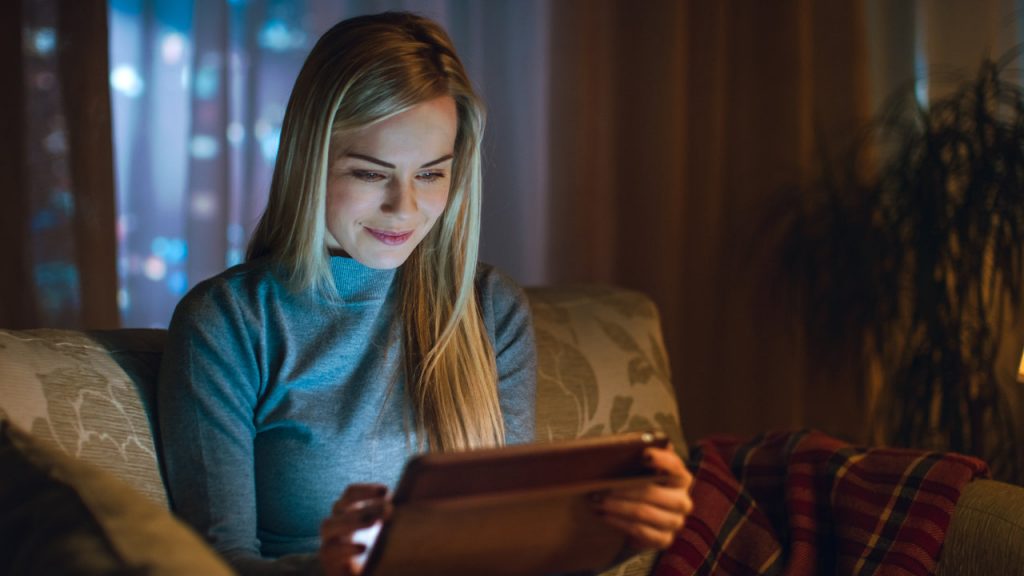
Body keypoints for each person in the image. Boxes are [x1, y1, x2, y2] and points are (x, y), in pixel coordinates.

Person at [157, 11, 693, 576]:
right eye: (369, 173)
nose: (405, 208)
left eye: (432, 174)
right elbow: (212, 563)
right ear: (309, 161)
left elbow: (516, 548)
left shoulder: (489, 307)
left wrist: (619, 533)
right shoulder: (231, 322)